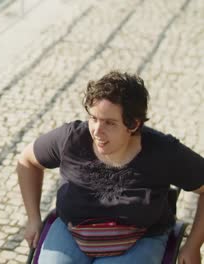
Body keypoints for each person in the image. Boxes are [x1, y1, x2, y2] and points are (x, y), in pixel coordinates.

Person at [17, 71, 204, 264]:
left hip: (142, 238)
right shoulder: (70, 139)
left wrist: (193, 245)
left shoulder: (163, 152)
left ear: (133, 124)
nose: (97, 131)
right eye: (94, 118)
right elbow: (27, 161)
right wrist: (33, 218)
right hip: (71, 231)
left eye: (109, 123)